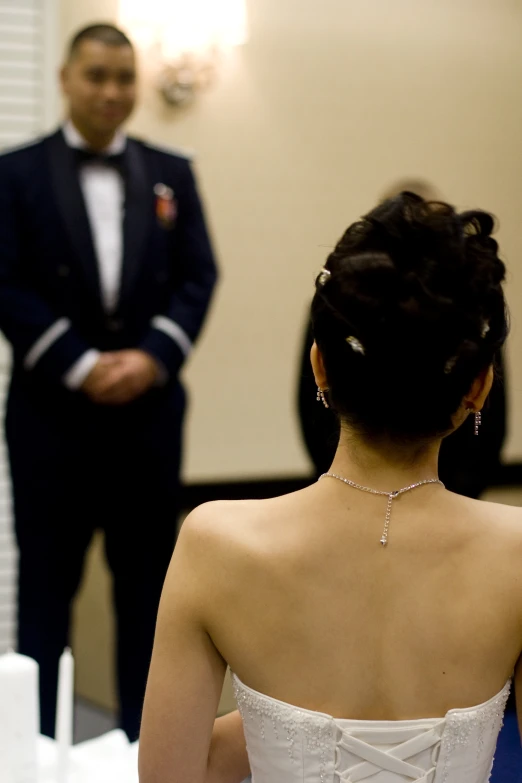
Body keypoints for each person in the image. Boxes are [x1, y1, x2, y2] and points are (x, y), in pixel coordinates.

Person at [139, 193, 522, 783]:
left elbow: (173, 774)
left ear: (319, 367)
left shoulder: (216, 544)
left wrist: (283, 725)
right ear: (479, 388)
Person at [0, 23, 217, 740]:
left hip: (146, 423)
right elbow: (6, 283)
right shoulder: (15, 172)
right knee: (44, 598)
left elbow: (198, 275)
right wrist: (83, 364)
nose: (113, 91)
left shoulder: (171, 171)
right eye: (97, 75)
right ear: (65, 79)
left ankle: (142, 749)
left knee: (152, 600)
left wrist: (153, 355)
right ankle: (33, 752)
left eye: (125, 77)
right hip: (50, 421)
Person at [297, 180, 507, 497]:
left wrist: (466, 488)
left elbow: (497, 422)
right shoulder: (512, 543)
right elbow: (306, 411)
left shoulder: (213, 532)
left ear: (320, 365)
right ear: (480, 385)